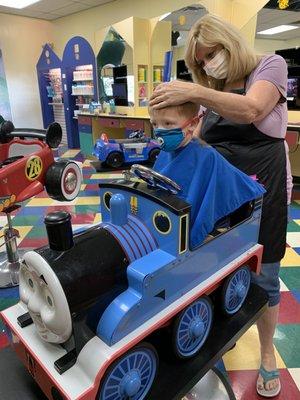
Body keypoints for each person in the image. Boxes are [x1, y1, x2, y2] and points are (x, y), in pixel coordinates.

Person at [149, 14, 291, 398]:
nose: (209, 64)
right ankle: (219, 333)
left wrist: (193, 92)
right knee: (216, 273)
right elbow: (209, 149)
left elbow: (251, 110)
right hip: (219, 194)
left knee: (264, 274)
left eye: (212, 54)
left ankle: (266, 354)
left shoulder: (270, 65)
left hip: (265, 191)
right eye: (201, 61)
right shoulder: (210, 90)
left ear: (229, 42)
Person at [149, 101, 265, 248]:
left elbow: (212, 199)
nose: (160, 131)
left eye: (168, 123)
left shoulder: (207, 156)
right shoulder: (166, 152)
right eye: (154, 124)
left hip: (212, 228)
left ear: (193, 123)